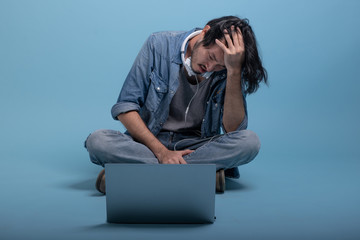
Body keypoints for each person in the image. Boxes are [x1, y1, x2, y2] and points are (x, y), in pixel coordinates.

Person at [85, 16, 268, 194]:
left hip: (197, 145)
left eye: (220, 66)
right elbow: (125, 107)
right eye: (211, 56)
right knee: (98, 141)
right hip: (149, 142)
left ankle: (134, 176)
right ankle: (200, 175)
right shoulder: (158, 44)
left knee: (250, 142)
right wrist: (162, 153)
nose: (210, 68)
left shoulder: (230, 66)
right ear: (206, 32)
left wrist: (233, 71)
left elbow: (234, 130)